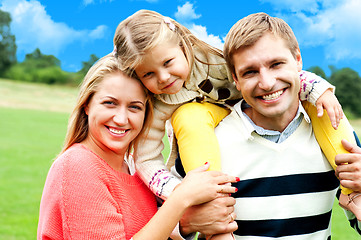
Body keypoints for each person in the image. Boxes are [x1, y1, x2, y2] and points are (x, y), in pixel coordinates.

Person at [113, 9, 343, 200]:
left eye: (168, 62)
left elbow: (275, 78)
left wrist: (320, 89)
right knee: (189, 115)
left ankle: (354, 187)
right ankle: (213, 200)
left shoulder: (215, 60)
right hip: (210, 123)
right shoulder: (160, 102)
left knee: (321, 102)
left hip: (253, 110)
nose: (163, 78)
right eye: (148, 74)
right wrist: (177, 191)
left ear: (183, 46)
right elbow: (144, 157)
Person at [37, 54, 238, 240]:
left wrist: (184, 223)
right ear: (87, 105)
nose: (121, 119)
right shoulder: (78, 166)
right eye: (110, 103)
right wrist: (182, 197)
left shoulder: (136, 169)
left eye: (135, 107)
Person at [195, 12, 361, 239]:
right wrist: (184, 225)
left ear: (298, 60)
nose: (267, 82)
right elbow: (166, 226)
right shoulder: (208, 141)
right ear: (235, 78)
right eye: (250, 72)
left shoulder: (335, 134)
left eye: (276, 64)